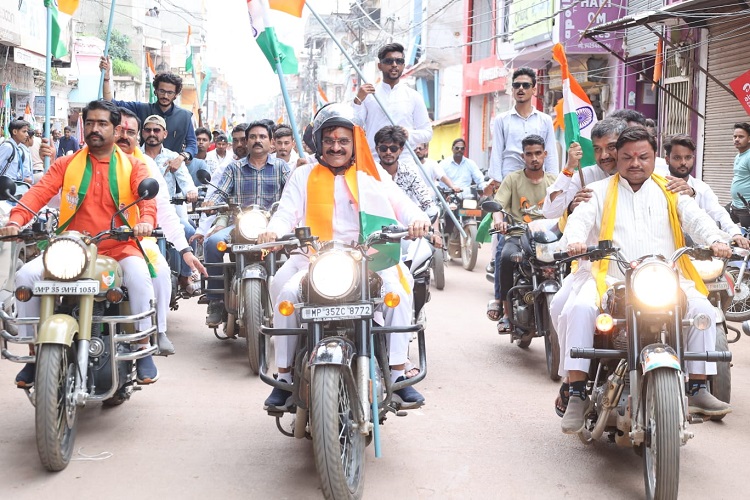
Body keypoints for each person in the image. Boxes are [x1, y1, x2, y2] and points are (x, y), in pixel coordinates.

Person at [557, 126, 734, 433]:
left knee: (704, 312)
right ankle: (576, 392)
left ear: (655, 159)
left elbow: (697, 219)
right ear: (617, 157)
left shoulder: (671, 190)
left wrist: (718, 239)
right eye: (627, 157)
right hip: (610, 278)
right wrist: (574, 242)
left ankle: (697, 387)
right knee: (578, 309)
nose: (635, 163)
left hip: (663, 278)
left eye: (643, 156)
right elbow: (579, 222)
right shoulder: (599, 192)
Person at [258, 103, 430, 409]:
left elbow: (403, 204)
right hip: (313, 259)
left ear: (355, 143)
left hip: (368, 259)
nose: (336, 147)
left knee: (399, 296)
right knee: (284, 293)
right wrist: (273, 230)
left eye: (343, 141)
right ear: (320, 142)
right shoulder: (303, 175)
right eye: (329, 140)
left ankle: (398, 372)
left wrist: (418, 219)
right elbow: (286, 212)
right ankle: (284, 376)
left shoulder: (372, 175)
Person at [1, 100, 160, 386]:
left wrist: (145, 221)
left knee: (139, 278)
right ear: (83, 126)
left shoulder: (134, 166)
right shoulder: (66, 163)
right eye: (90, 123)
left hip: (118, 247)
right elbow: (38, 193)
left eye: (102, 124)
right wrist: (16, 219)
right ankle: (35, 354)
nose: (95, 129)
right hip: (71, 247)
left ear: (116, 129)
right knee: (25, 276)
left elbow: (146, 200)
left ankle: (141, 347)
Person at [116, 107, 208, 354]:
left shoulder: (150, 162)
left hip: (140, 236)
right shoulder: (83, 160)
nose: (124, 136)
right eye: (119, 130)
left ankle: (156, 332)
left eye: (130, 132)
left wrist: (186, 249)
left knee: (158, 273)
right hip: (94, 241)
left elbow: (160, 207)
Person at [202, 120, 290, 327]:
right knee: (211, 243)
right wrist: (210, 203)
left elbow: (293, 195)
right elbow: (220, 192)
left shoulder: (281, 167)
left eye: (262, 137)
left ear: (271, 143)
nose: (257, 141)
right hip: (240, 225)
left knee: (297, 247)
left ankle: (293, 300)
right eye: (253, 137)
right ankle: (215, 300)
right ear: (246, 142)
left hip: (271, 226)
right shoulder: (234, 168)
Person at [489, 135, 557, 330]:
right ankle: (506, 311)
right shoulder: (512, 179)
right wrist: (500, 222)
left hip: (549, 238)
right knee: (506, 257)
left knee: (568, 262)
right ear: (523, 156)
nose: (534, 158)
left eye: (538, 153)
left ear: (545, 154)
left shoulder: (554, 181)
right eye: (529, 154)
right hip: (518, 234)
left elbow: (566, 206)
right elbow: (497, 208)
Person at [101, 56, 198, 169]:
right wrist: (106, 79)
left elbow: (192, 144)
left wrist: (180, 158)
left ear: (176, 94)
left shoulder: (185, 116)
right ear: (155, 91)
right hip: (142, 167)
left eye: (170, 92)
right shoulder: (141, 109)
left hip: (172, 171)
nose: (165, 96)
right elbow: (111, 104)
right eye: (162, 91)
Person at [141, 114, 199, 290]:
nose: (152, 133)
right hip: (141, 214)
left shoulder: (173, 157)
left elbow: (187, 181)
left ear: (164, 134)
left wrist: (190, 192)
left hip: (168, 212)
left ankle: (184, 276)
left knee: (189, 231)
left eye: (156, 130)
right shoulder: (135, 155)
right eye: (148, 130)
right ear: (142, 133)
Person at [353, 42, 432, 164]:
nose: (394, 65)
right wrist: (358, 100)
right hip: (374, 162)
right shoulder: (368, 94)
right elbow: (355, 126)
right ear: (380, 65)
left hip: (405, 161)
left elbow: (427, 133)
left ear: (403, 65)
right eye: (389, 61)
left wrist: (408, 134)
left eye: (399, 61)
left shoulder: (414, 96)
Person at [667, 134, 748, 246]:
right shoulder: (660, 185)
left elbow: (718, 212)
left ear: (693, 158)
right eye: (677, 157)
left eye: (688, 157)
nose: (683, 162)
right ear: (667, 159)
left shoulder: (701, 187)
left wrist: (735, 233)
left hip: (698, 251)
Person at [487, 67, 558, 190]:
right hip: (509, 180)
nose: (521, 88)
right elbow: (497, 152)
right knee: (507, 210)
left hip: (538, 180)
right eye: (517, 85)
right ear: (512, 89)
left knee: (537, 209)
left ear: (534, 89)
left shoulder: (545, 120)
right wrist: (497, 180)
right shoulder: (501, 119)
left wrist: (553, 181)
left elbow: (550, 152)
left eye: (525, 85)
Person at [729, 122, 750, 226]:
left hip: (746, 208)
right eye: (735, 136)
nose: (736, 139)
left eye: (741, 136)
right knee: (719, 223)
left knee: (746, 240)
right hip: (735, 205)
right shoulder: (738, 156)